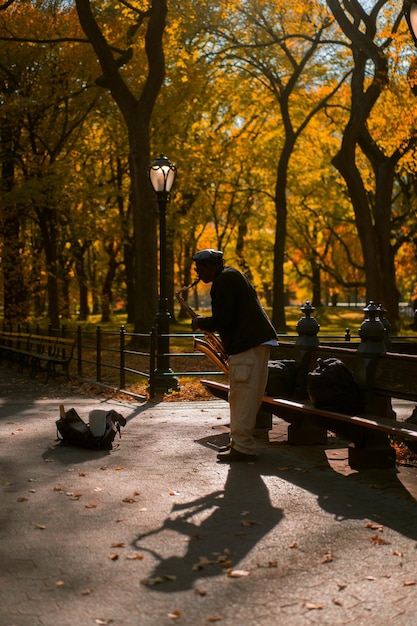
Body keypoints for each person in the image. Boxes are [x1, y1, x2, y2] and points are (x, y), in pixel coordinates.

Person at [191, 249, 278, 463]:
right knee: (241, 396)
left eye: (198, 269)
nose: (197, 274)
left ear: (209, 266)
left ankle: (243, 448)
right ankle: (238, 444)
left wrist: (201, 322)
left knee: (242, 397)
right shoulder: (232, 275)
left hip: (246, 346)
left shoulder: (223, 282)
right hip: (254, 343)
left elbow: (224, 319)